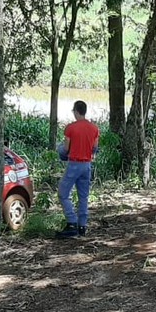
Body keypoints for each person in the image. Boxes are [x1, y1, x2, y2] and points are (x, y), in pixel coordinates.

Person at [56, 100, 101, 238]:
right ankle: (82, 226)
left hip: (74, 164)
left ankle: (71, 223)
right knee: (83, 196)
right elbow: (95, 148)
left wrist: (60, 152)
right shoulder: (94, 129)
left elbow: (66, 149)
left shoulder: (70, 128)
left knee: (63, 193)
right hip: (87, 165)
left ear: (76, 111)